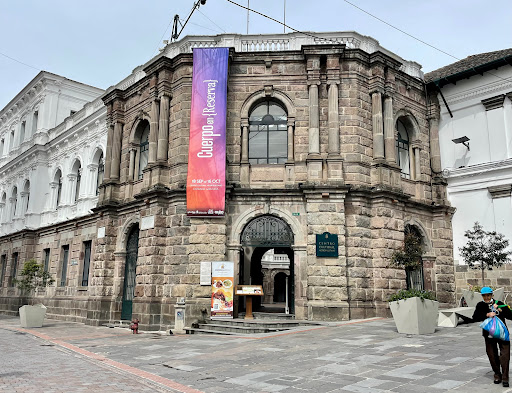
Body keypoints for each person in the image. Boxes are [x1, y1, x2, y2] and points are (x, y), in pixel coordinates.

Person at [472, 286, 512, 387]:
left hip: (502, 333)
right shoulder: (480, 305)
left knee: (505, 354)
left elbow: (510, 315)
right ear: (482, 296)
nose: (486, 297)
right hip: (489, 334)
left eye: (488, 295)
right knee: (492, 354)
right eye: (484, 296)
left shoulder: (499, 303)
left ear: (492, 295)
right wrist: (487, 314)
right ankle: (497, 374)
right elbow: (475, 317)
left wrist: (501, 310)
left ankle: (505, 377)